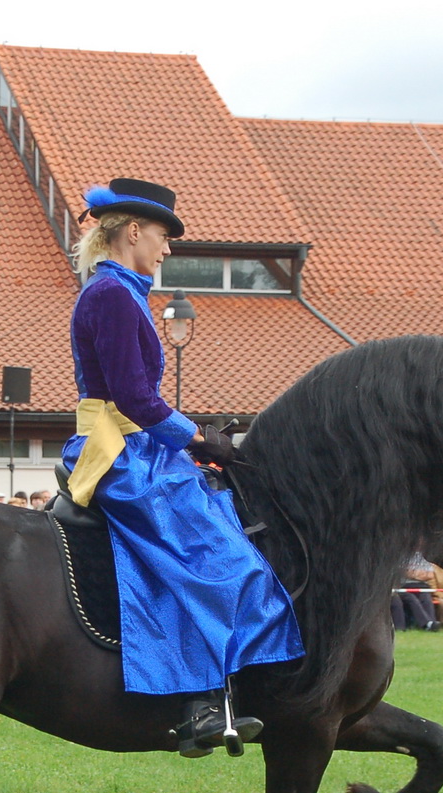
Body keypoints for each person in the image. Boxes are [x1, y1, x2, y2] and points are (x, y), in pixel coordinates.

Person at [65, 179, 300, 753]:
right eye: (164, 236)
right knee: (210, 555)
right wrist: (197, 437)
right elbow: (136, 400)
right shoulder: (113, 296)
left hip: (137, 442)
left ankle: (217, 689)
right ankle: (197, 705)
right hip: (122, 449)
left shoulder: (123, 291)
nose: (168, 249)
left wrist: (194, 437)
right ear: (134, 232)